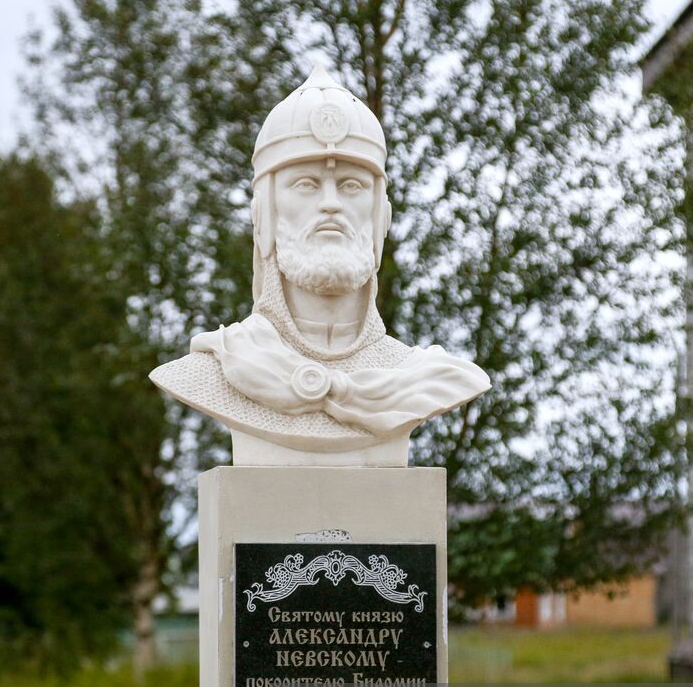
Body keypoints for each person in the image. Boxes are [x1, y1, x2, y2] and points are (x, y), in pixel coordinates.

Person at [150, 63, 489, 465]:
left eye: (351, 185)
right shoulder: (221, 366)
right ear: (265, 215)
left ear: (381, 217)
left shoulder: (427, 379)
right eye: (306, 184)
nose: (331, 203)